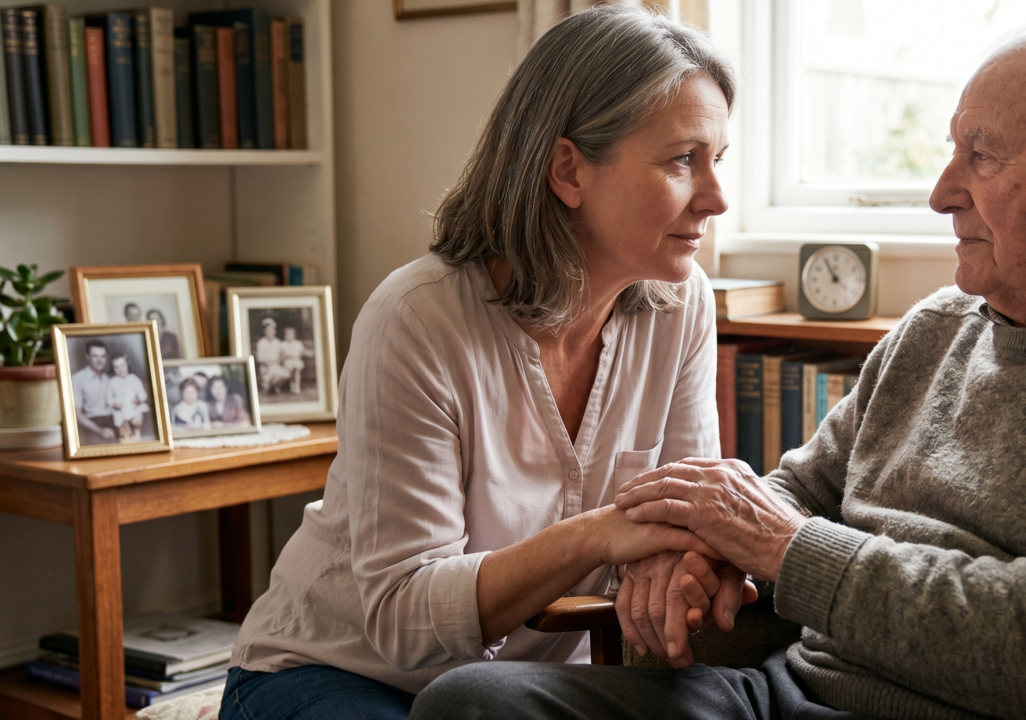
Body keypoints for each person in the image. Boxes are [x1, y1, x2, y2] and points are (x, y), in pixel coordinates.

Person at [416, 14, 1026, 720]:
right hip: (789, 691)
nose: (941, 192)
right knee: (474, 704)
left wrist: (782, 548)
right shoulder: (935, 328)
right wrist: (704, 557)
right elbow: (799, 493)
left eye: (982, 156)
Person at [221, 7, 735, 720]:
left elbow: (683, 514)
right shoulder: (416, 319)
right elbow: (402, 618)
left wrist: (668, 557)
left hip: (517, 690)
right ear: (568, 171)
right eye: (683, 160)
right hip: (343, 671)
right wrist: (598, 533)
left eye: (718, 159)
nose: (716, 197)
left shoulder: (684, 305)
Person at [70, 340, 116, 445]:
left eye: (103, 356)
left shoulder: (110, 378)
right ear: (88, 357)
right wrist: (99, 431)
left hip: (114, 423)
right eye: (95, 356)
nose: (100, 360)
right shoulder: (78, 379)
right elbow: (76, 414)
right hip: (92, 425)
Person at [106, 353, 149, 441]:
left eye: (122, 366)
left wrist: (138, 400)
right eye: (116, 367)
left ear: (127, 365)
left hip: (133, 407)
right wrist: (114, 403)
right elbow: (108, 397)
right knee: (119, 419)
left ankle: (136, 436)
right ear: (113, 368)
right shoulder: (112, 381)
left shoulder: (134, 379)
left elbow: (143, 395)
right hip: (120, 408)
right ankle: (124, 438)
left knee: (137, 418)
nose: (120, 369)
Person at [253, 317, 291, 396]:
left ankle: (272, 387)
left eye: (272, 330)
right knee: (267, 376)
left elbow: (282, 356)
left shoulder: (278, 342)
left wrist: (282, 358)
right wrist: (271, 362)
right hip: (265, 368)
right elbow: (259, 359)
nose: (270, 332)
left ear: (275, 331)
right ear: (265, 332)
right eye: (268, 330)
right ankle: (268, 386)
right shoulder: (261, 343)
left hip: (275, 366)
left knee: (286, 374)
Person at [279, 326, 311, 395]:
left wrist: (308, 353)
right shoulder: (283, 344)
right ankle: (292, 386)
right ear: (285, 335)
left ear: (294, 335)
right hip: (287, 361)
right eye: (287, 334)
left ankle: (297, 387)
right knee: (290, 371)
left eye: (291, 334)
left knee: (296, 370)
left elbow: (302, 352)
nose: (289, 336)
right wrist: (285, 357)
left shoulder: (298, 343)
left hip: (296, 360)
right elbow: (281, 355)